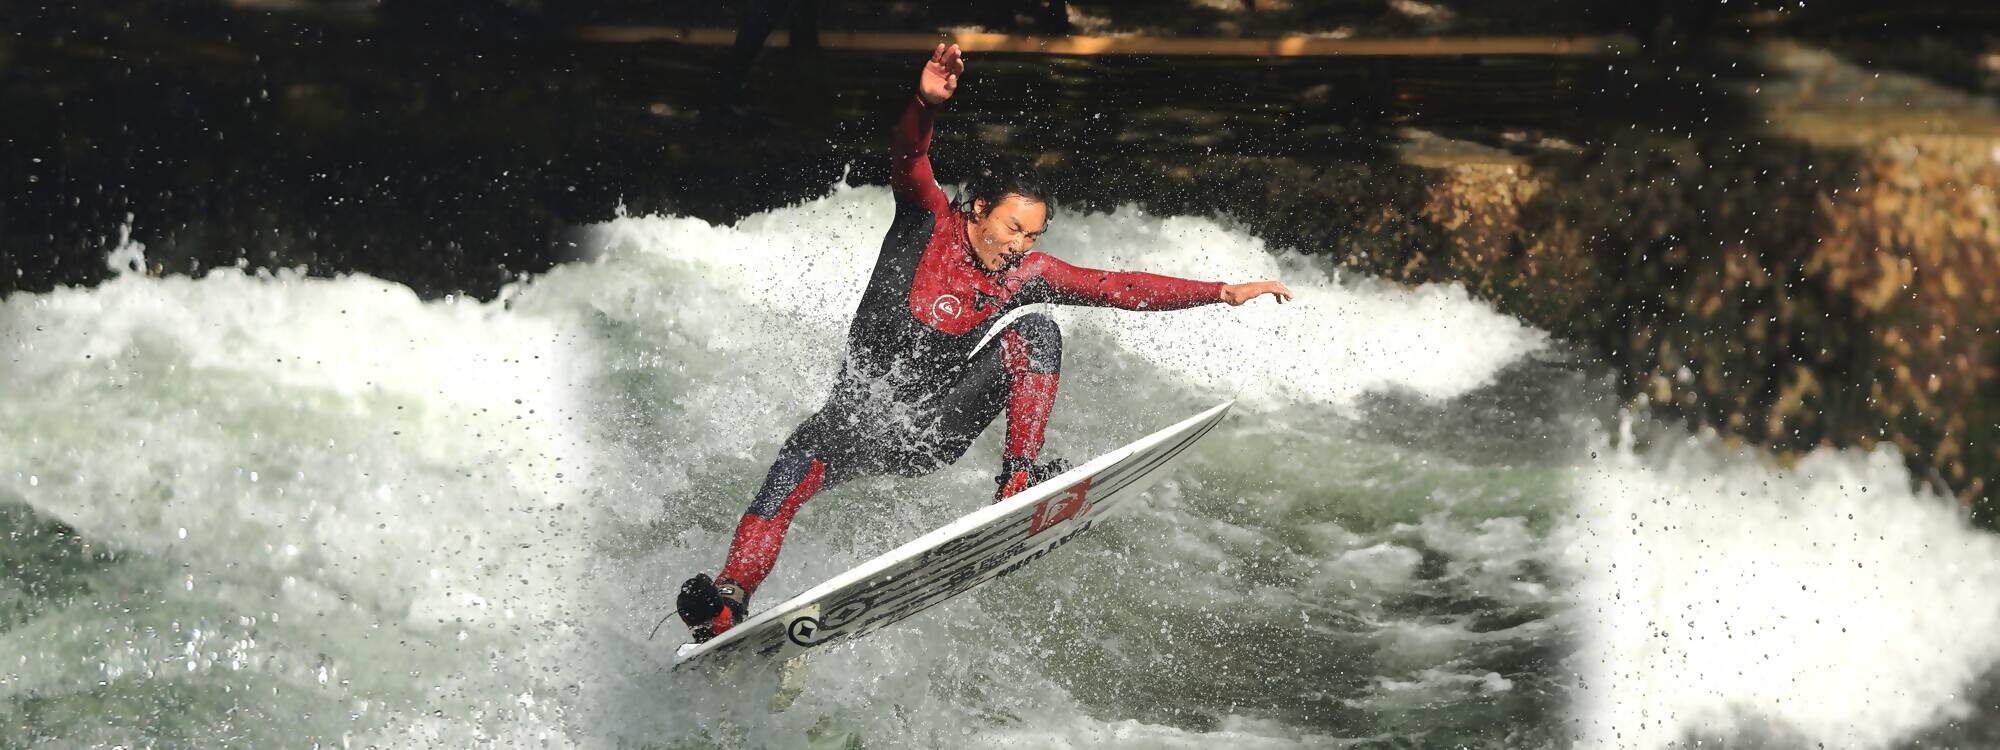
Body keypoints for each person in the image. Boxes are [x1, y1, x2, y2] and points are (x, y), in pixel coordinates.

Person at [676, 43, 1294, 643]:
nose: (1023, 244)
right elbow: (909, 156)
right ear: (975, 210)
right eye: (1013, 227)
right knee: (787, 471)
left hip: (935, 429)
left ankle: (1017, 481)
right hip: (855, 423)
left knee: (1038, 331)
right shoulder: (926, 220)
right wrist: (926, 104)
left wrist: (1220, 291)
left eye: (1034, 233)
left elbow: (1117, 286)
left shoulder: (1025, 275)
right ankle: (728, 605)